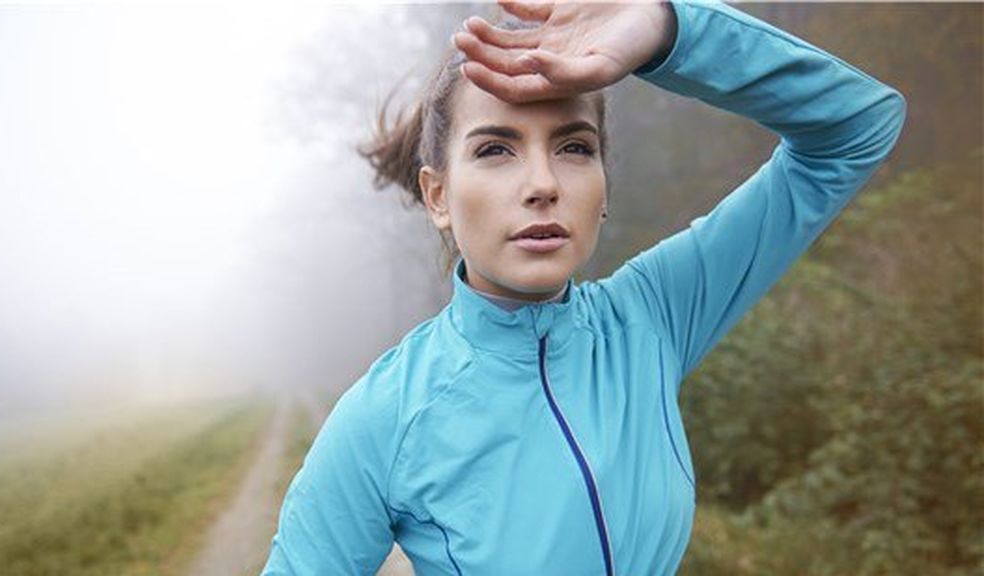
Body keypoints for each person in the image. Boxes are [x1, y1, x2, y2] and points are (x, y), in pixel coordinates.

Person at [261, 0, 906, 573]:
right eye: (495, 150)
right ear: (437, 197)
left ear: (603, 187)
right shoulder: (386, 415)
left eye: (573, 147)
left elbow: (857, 127)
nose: (544, 184)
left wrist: (666, 29)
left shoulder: (652, 316)